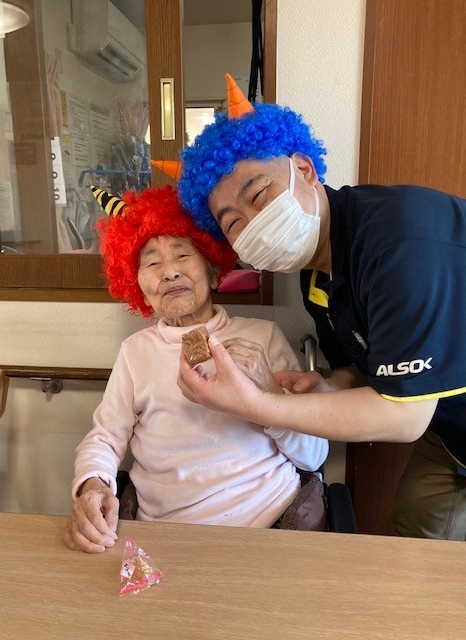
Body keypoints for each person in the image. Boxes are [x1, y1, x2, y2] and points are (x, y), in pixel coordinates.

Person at [175, 74, 466, 541]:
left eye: (259, 196)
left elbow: (402, 416)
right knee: (419, 533)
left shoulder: (400, 243)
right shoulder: (314, 274)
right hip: (449, 431)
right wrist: (329, 386)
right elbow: (363, 368)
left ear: (305, 169)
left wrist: (259, 405)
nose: (253, 223)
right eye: (233, 223)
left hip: (420, 413)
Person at [63, 184, 328, 553]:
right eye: (152, 262)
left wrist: (268, 390)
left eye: (183, 254)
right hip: (166, 535)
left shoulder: (263, 336)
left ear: (214, 272)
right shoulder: (135, 352)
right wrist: (93, 484)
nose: (170, 272)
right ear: (137, 285)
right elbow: (106, 437)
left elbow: (313, 456)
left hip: (271, 523)